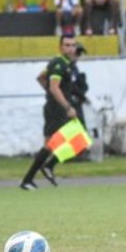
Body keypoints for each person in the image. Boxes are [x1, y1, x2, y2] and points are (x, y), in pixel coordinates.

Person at [20, 34, 78, 190]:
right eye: (67, 45)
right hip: (56, 109)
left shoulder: (62, 63)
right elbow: (54, 86)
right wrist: (67, 106)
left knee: (60, 142)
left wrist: (50, 93)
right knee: (75, 139)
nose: (71, 48)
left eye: (73, 45)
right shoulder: (59, 63)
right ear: (60, 47)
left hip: (55, 107)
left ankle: (31, 177)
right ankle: (45, 168)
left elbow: (40, 77)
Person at [36, 41, 90, 184]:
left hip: (65, 106)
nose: (77, 55)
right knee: (53, 140)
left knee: (77, 137)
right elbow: (45, 80)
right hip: (58, 108)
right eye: (76, 52)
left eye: (79, 53)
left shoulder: (73, 68)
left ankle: (46, 167)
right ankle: (40, 170)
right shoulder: (60, 64)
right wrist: (53, 95)